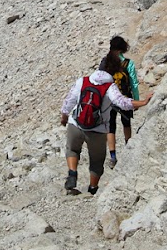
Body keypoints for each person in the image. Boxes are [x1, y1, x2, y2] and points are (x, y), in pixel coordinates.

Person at [59, 48, 153, 195]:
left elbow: (69, 101)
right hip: (97, 130)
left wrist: (64, 117)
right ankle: (92, 190)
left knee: (72, 150)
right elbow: (122, 102)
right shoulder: (110, 87)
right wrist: (143, 102)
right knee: (97, 161)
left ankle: (72, 173)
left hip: (76, 124)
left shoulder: (82, 81)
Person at [105, 36, 140, 169]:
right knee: (126, 123)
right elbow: (134, 83)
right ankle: (128, 148)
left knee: (111, 127)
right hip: (125, 97)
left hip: (110, 100)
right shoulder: (128, 63)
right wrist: (135, 100)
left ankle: (113, 157)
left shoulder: (107, 62)